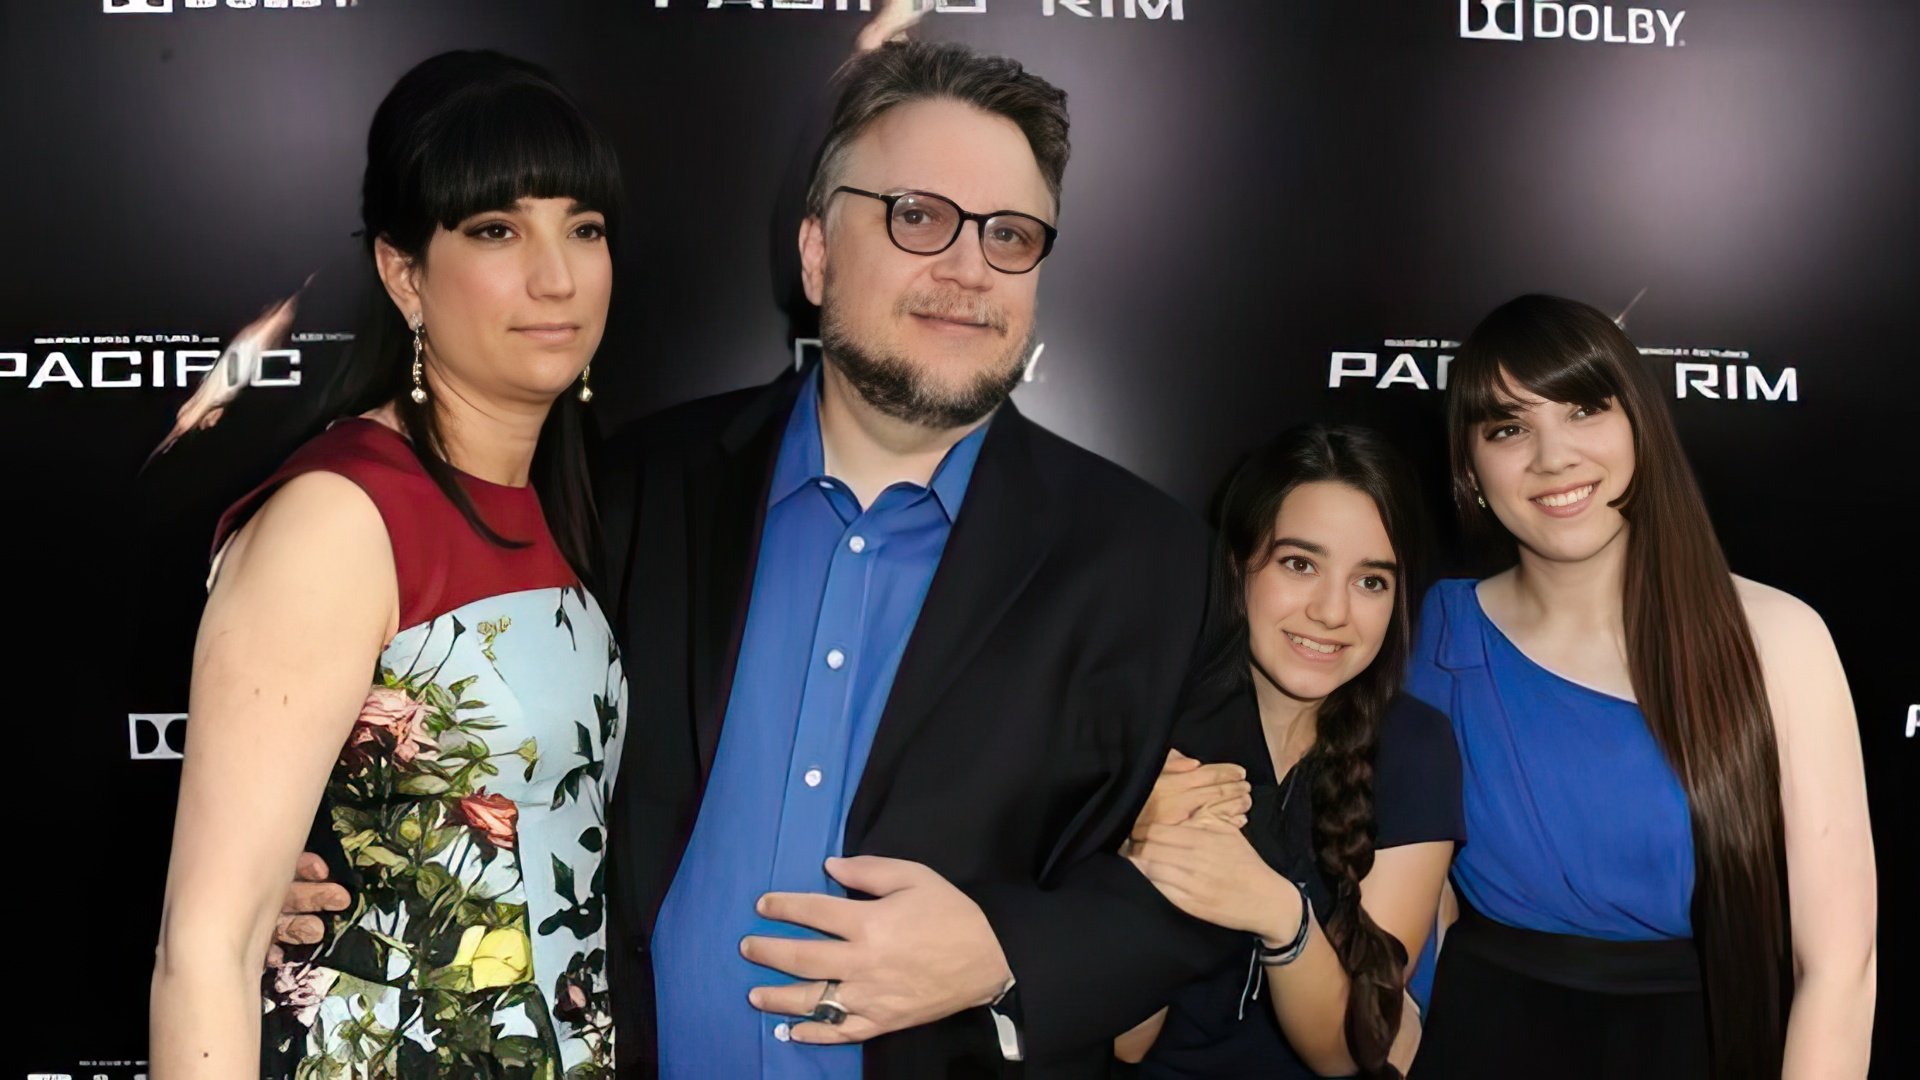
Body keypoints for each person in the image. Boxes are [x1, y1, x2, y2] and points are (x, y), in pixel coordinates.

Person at [593, 40, 1257, 1077]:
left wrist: (1005, 953)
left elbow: (1210, 892)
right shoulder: (639, 487)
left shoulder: (1154, 568)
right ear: (815, 254)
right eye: (916, 216)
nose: (967, 269)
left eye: (1009, 235)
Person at [150, 50, 627, 1078]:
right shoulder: (340, 516)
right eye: (498, 229)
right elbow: (206, 951)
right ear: (404, 271)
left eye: (582, 227)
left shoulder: (566, 506)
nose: (557, 275)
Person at [1406, 295, 1877, 1078]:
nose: (1553, 457)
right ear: (1470, 467)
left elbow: (1840, 968)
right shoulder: (1438, 634)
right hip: (1478, 1043)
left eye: (1584, 410)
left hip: (1706, 1046)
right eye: (1509, 428)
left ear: (1641, 428)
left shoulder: (1779, 637)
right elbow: (1414, 916)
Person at [1115, 425, 1462, 1079]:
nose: (1332, 611)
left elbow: (1347, 1051)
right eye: (1300, 564)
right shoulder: (1149, 730)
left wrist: (1277, 912)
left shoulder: (1416, 747)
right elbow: (1126, 1040)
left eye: (1371, 582)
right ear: (1238, 563)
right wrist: (1136, 854)